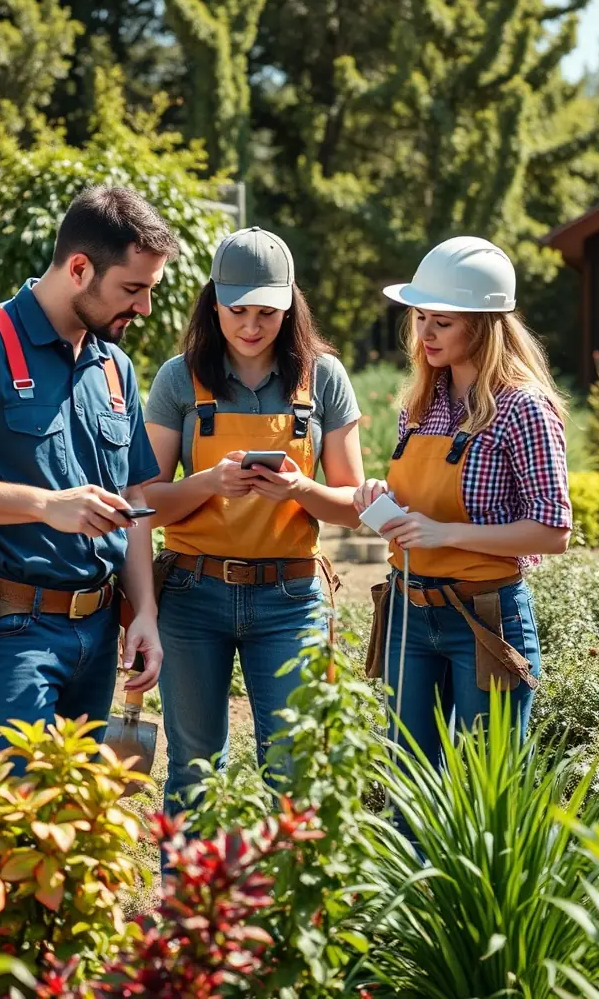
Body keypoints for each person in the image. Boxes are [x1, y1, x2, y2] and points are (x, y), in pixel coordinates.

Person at [0, 185, 174, 747]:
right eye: (133, 289)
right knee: (14, 820)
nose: (143, 308)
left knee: (78, 824)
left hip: (98, 628)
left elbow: (135, 497)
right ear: (78, 267)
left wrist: (143, 611)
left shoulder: (115, 366)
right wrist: (45, 505)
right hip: (9, 630)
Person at [143, 225, 364, 816]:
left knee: (294, 767)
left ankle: (285, 907)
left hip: (291, 596)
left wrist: (300, 488)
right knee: (193, 768)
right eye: (236, 310)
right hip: (191, 593)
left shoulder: (323, 379)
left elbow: (352, 506)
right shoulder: (177, 378)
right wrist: (209, 483)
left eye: (267, 312)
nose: (250, 325)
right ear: (212, 302)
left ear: (290, 305)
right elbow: (143, 501)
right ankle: (191, 908)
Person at [355, 236, 572, 768]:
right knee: (409, 781)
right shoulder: (420, 404)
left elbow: (552, 531)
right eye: (421, 317)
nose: (425, 333)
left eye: (442, 322)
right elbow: (418, 507)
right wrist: (382, 500)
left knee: (484, 785)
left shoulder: (524, 408)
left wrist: (445, 534)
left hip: (485, 617)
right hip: (408, 609)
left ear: (483, 324)